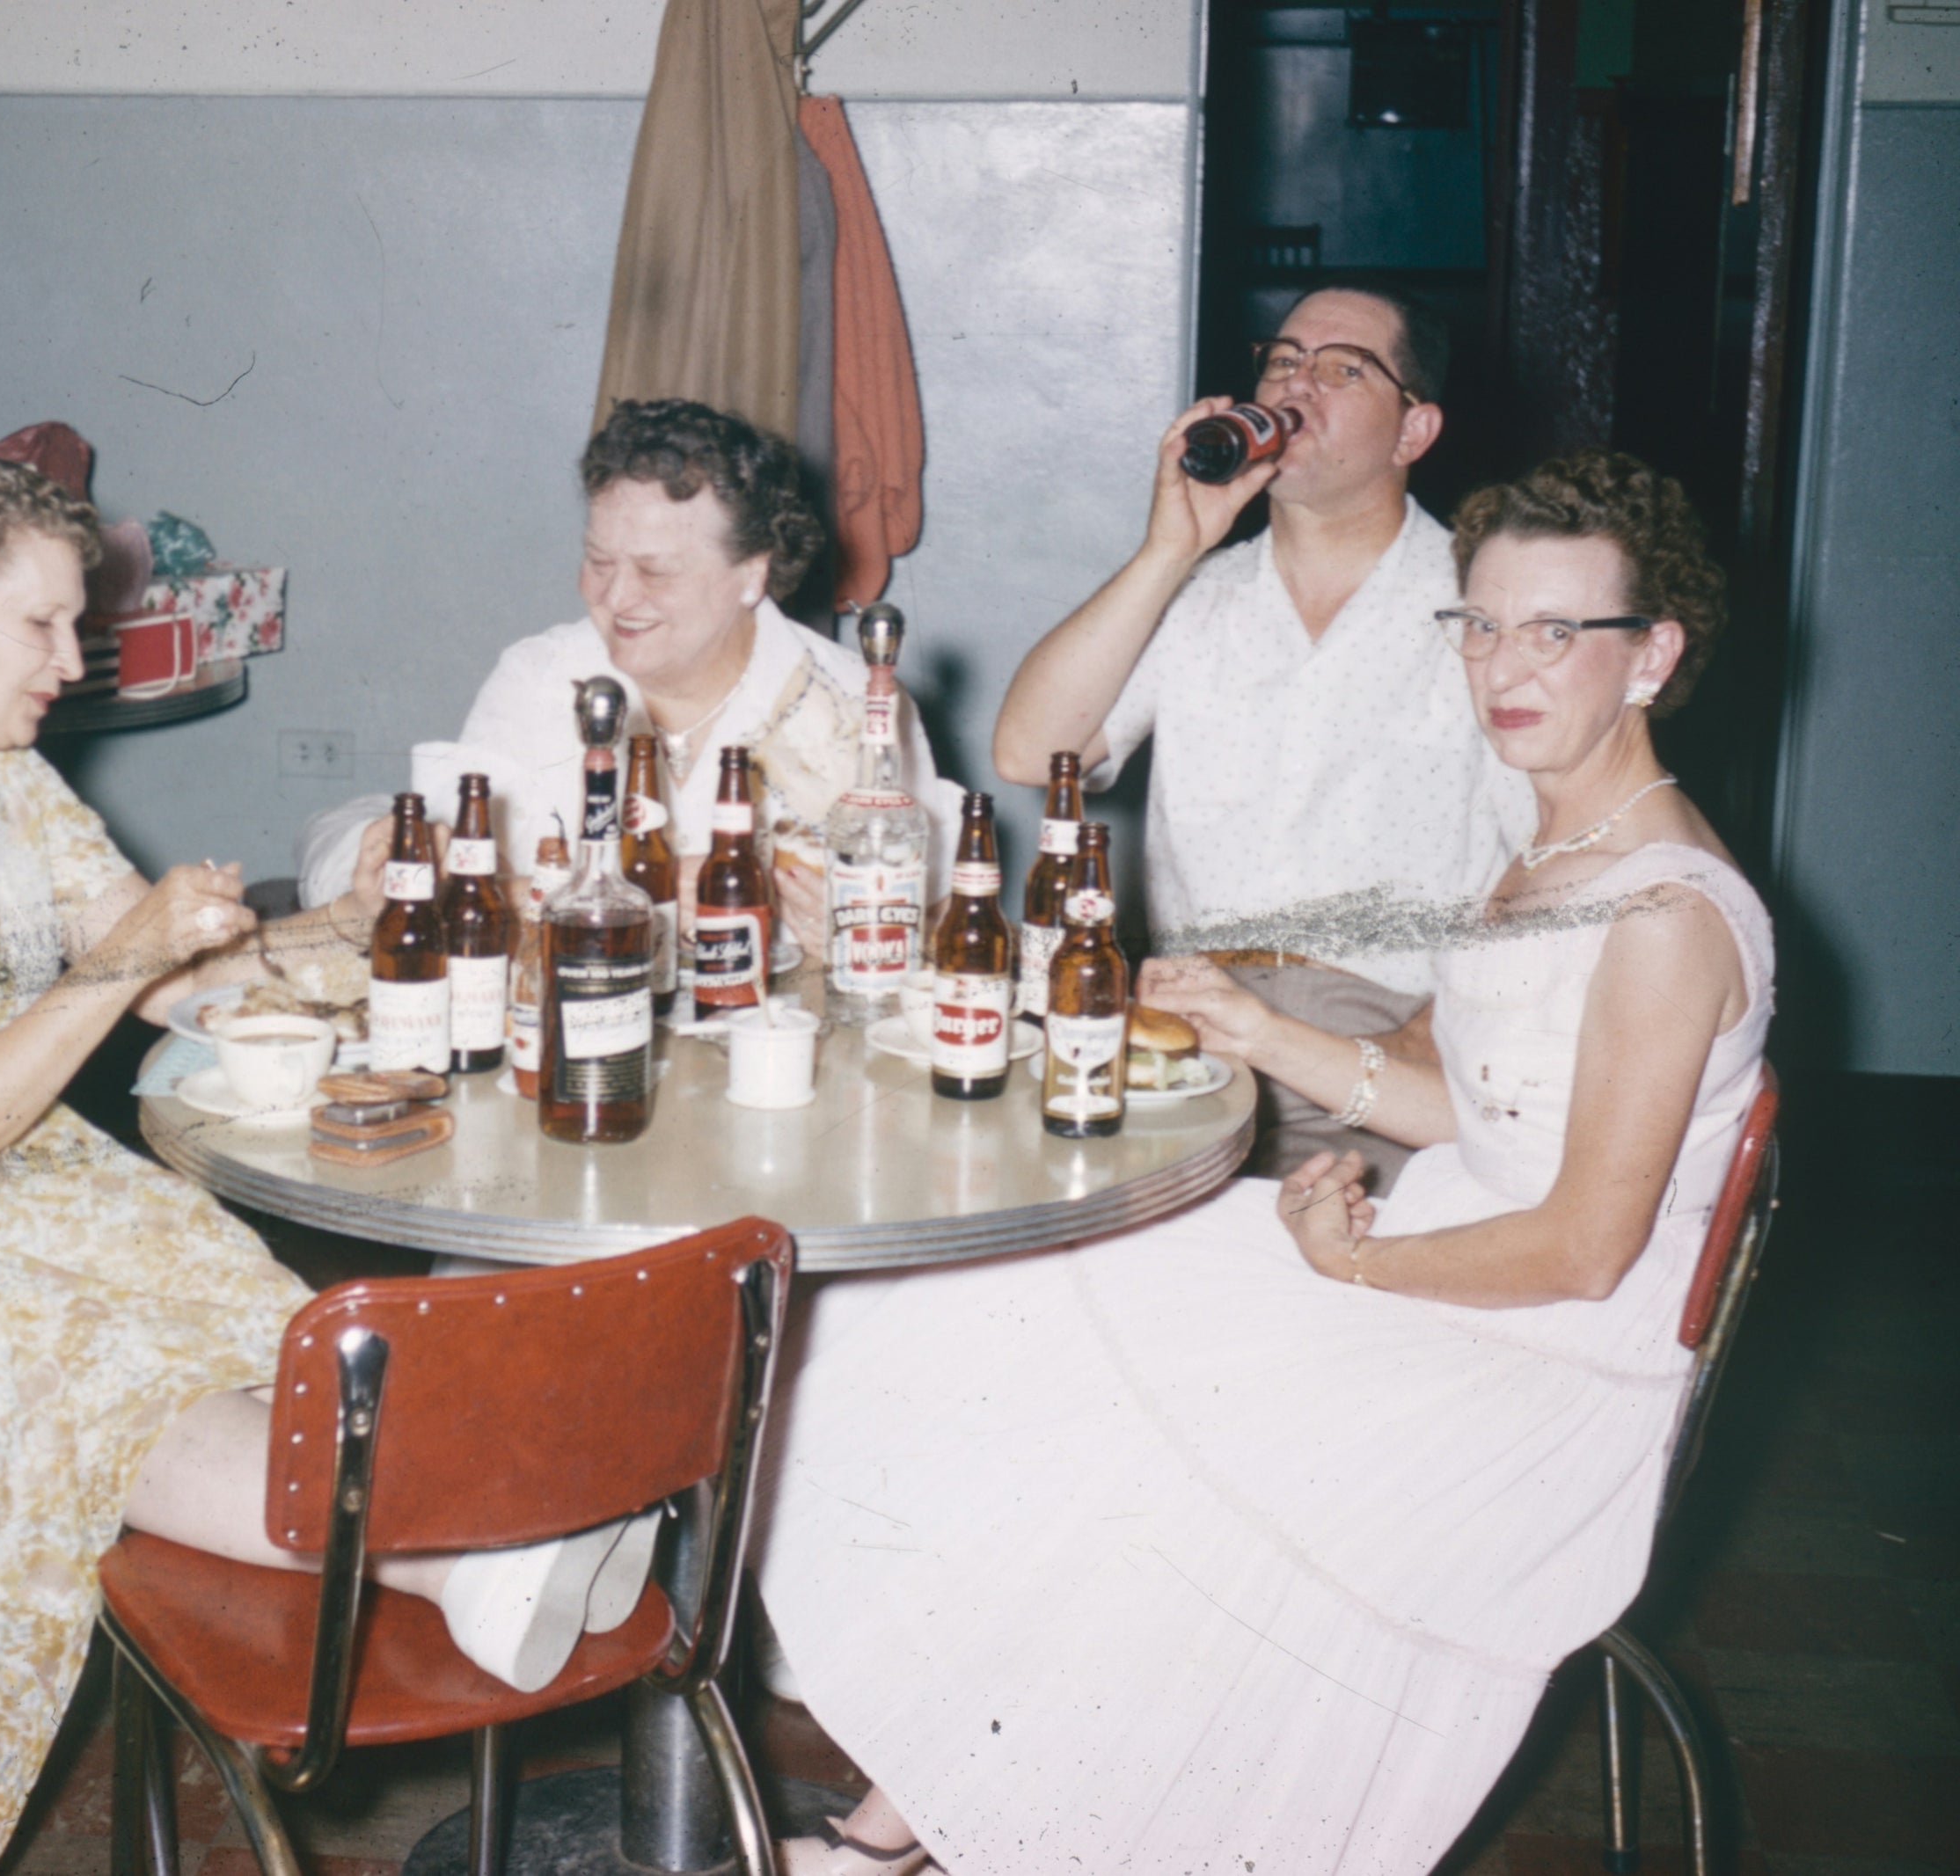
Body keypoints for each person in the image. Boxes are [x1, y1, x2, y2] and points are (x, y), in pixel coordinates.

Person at [756, 451, 1767, 1875]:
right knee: (971, 1290)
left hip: (1541, 1373)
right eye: (1479, 625)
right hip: (1450, 1281)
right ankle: (925, 1815)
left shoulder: (1665, 911)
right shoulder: (1562, 846)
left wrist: (1358, 1257)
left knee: (1097, 1415)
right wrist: (1256, 1029)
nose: (1503, 667)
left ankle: (908, 1836)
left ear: (1652, 651)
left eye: (1556, 633)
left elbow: (1587, 1242)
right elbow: (1481, 1111)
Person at [0, 463, 652, 1875]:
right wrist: (123, 964)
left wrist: (367, 920)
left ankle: (464, 1532)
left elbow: (188, 985)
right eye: (44, 628)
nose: (76, 663)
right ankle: (463, 1548)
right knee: (83, 1358)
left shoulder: (3, 785)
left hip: (5, 1185)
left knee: (225, 1300)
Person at [991, 285, 1532, 1186]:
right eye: (1282, 360)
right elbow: (1027, 752)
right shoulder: (1200, 592)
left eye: (1341, 369)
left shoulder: (1483, 608)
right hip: (1185, 1030)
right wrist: (1169, 548)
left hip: (1377, 1027)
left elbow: (1552, 852)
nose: (1295, 387)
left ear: (1413, 432)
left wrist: (1436, 1025)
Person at [296, 399, 965, 954]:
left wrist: (873, 935)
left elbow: (944, 911)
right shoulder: (540, 678)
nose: (615, 598)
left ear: (752, 572)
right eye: (598, 560)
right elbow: (421, 867)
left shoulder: (854, 703)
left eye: (655, 572)